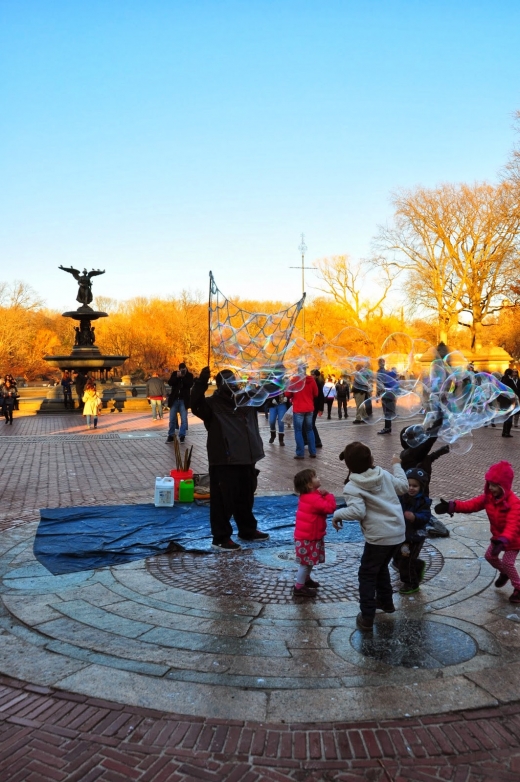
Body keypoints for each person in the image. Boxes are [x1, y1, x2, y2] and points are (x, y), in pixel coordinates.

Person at [190, 366, 269, 550]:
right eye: (227, 382)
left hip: (247, 457)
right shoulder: (212, 404)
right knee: (223, 501)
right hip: (225, 459)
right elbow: (194, 404)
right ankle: (221, 537)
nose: (232, 385)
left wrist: (273, 372)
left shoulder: (246, 400)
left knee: (246, 497)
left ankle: (247, 530)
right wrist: (201, 382)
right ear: (219, 385)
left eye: (233, 380)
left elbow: (267, 392)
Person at [332, 442, 408, 630]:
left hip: (378, 537)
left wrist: (337, 514)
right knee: (380, 567)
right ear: (371, 459)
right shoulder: (384, 474)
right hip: (397, 533)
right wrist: (397, 464)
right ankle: (386, 602)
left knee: (366, 573)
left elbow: (357, 512)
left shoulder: (352, 486)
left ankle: (367, 616)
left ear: (349, 466)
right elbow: (403, 487)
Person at [435, 461, 520, 605]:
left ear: (504, 486)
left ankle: (518, 587)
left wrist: (504, 540)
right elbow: (471, 505)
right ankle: (504, 573)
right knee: (489, 556)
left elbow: (513, 525)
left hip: (513, 540)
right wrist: (452, 506)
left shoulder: (514, 503)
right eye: (489, 484)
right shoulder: (488, 498)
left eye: (494, 485)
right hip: (498, 537)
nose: (491, 488)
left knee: (507, 562)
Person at [293, 468, 337, 598]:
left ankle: (305, 580)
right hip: (309, 537)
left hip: (309, 536)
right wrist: (329, 495)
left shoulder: (309, 496)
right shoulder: (314, 499)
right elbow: (330, 508)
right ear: (309, 485)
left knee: (309, 561)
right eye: (315, 477)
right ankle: (299, 587)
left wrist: (322, 495)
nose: (318, 478)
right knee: (305, 563)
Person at [393, 467, 432, 595]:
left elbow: (426, 517)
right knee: (397, 558)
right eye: (408, 485)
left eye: (415, 486)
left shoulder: (423, 502)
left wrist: (415, 517)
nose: (411, 488)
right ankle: (417, 565)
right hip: (402, 534)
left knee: (406, 561)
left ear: (421, 487)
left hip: (414, 537)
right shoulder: (401, 497)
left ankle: (411, 583)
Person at [285, 367, 318, 460]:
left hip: (298, 409)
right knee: (309, 430)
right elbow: (316, 393)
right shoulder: (311, 379)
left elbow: (287, 394)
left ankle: (300, 453)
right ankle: (313, 452)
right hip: (309, 408)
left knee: (298, 431)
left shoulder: (294, 380)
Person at [167, 363, 194, 443]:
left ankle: (182, 435)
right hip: (175, 399)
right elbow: (170, 383)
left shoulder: (189, 375)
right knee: (172, 419)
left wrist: (184, 377)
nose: (182, 371)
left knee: (184, 419)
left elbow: (190, 384)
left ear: (186, 368)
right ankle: (171, 435)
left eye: (183, 369)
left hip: (183, 400)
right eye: (181, 369)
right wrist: (177, 377)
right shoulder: (175, 374)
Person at [376, 358, 398, 435]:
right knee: (387, 412)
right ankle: (387, 427)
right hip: (388, 393)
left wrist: (377, 393)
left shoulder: (382, 372)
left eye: (382, 362)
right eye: (380, 362)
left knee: (387, 412)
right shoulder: (386, 372)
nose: (381, 364)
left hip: (386, 394)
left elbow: (380, 384)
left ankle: (387, 428)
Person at [500, 368, 518, 438]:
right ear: (511, 374)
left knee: (506, 417)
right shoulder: (510, 381)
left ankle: (504, 432)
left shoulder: (503, 379)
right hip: (509, 401)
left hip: (503, 401)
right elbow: (515, 390)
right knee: (510, 416)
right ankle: (507, 432)